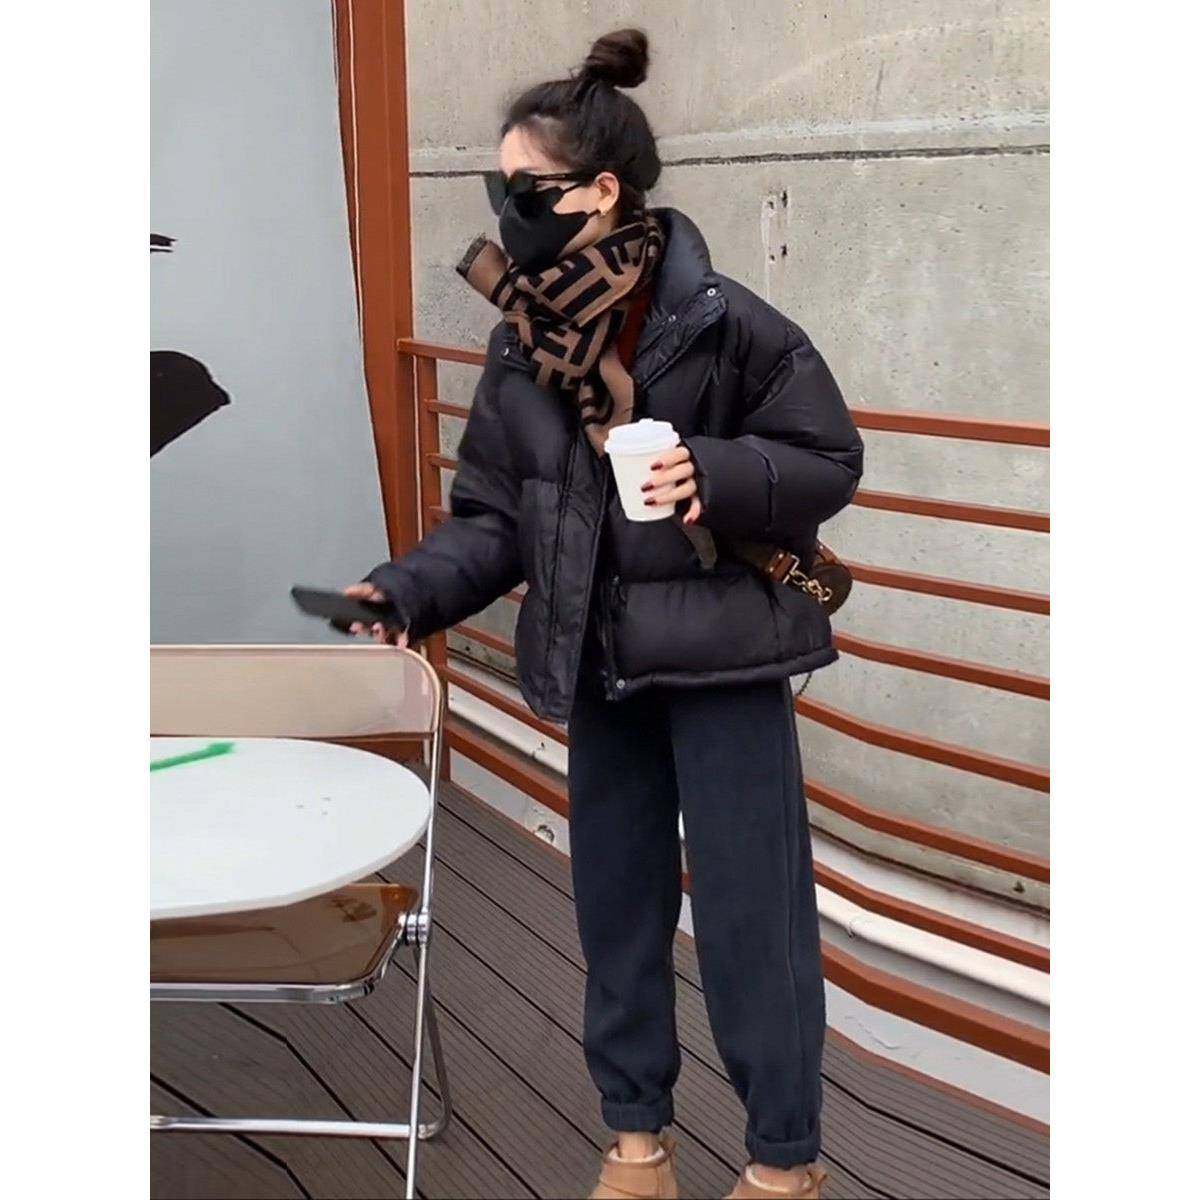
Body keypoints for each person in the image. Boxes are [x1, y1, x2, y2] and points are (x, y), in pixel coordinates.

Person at [346, 28, 863, 1200]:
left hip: (725, 665)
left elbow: (829, 456)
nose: (508, 216)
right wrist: (409, 591)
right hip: (598, 663)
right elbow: (493, 517)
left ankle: (783, 1162)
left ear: (604, 192)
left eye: (527, 191)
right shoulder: (521, 345)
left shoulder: (729, 324)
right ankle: (636, 1144)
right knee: (616, 912)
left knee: (754, 921)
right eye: (501, 192)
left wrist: (713, 472)